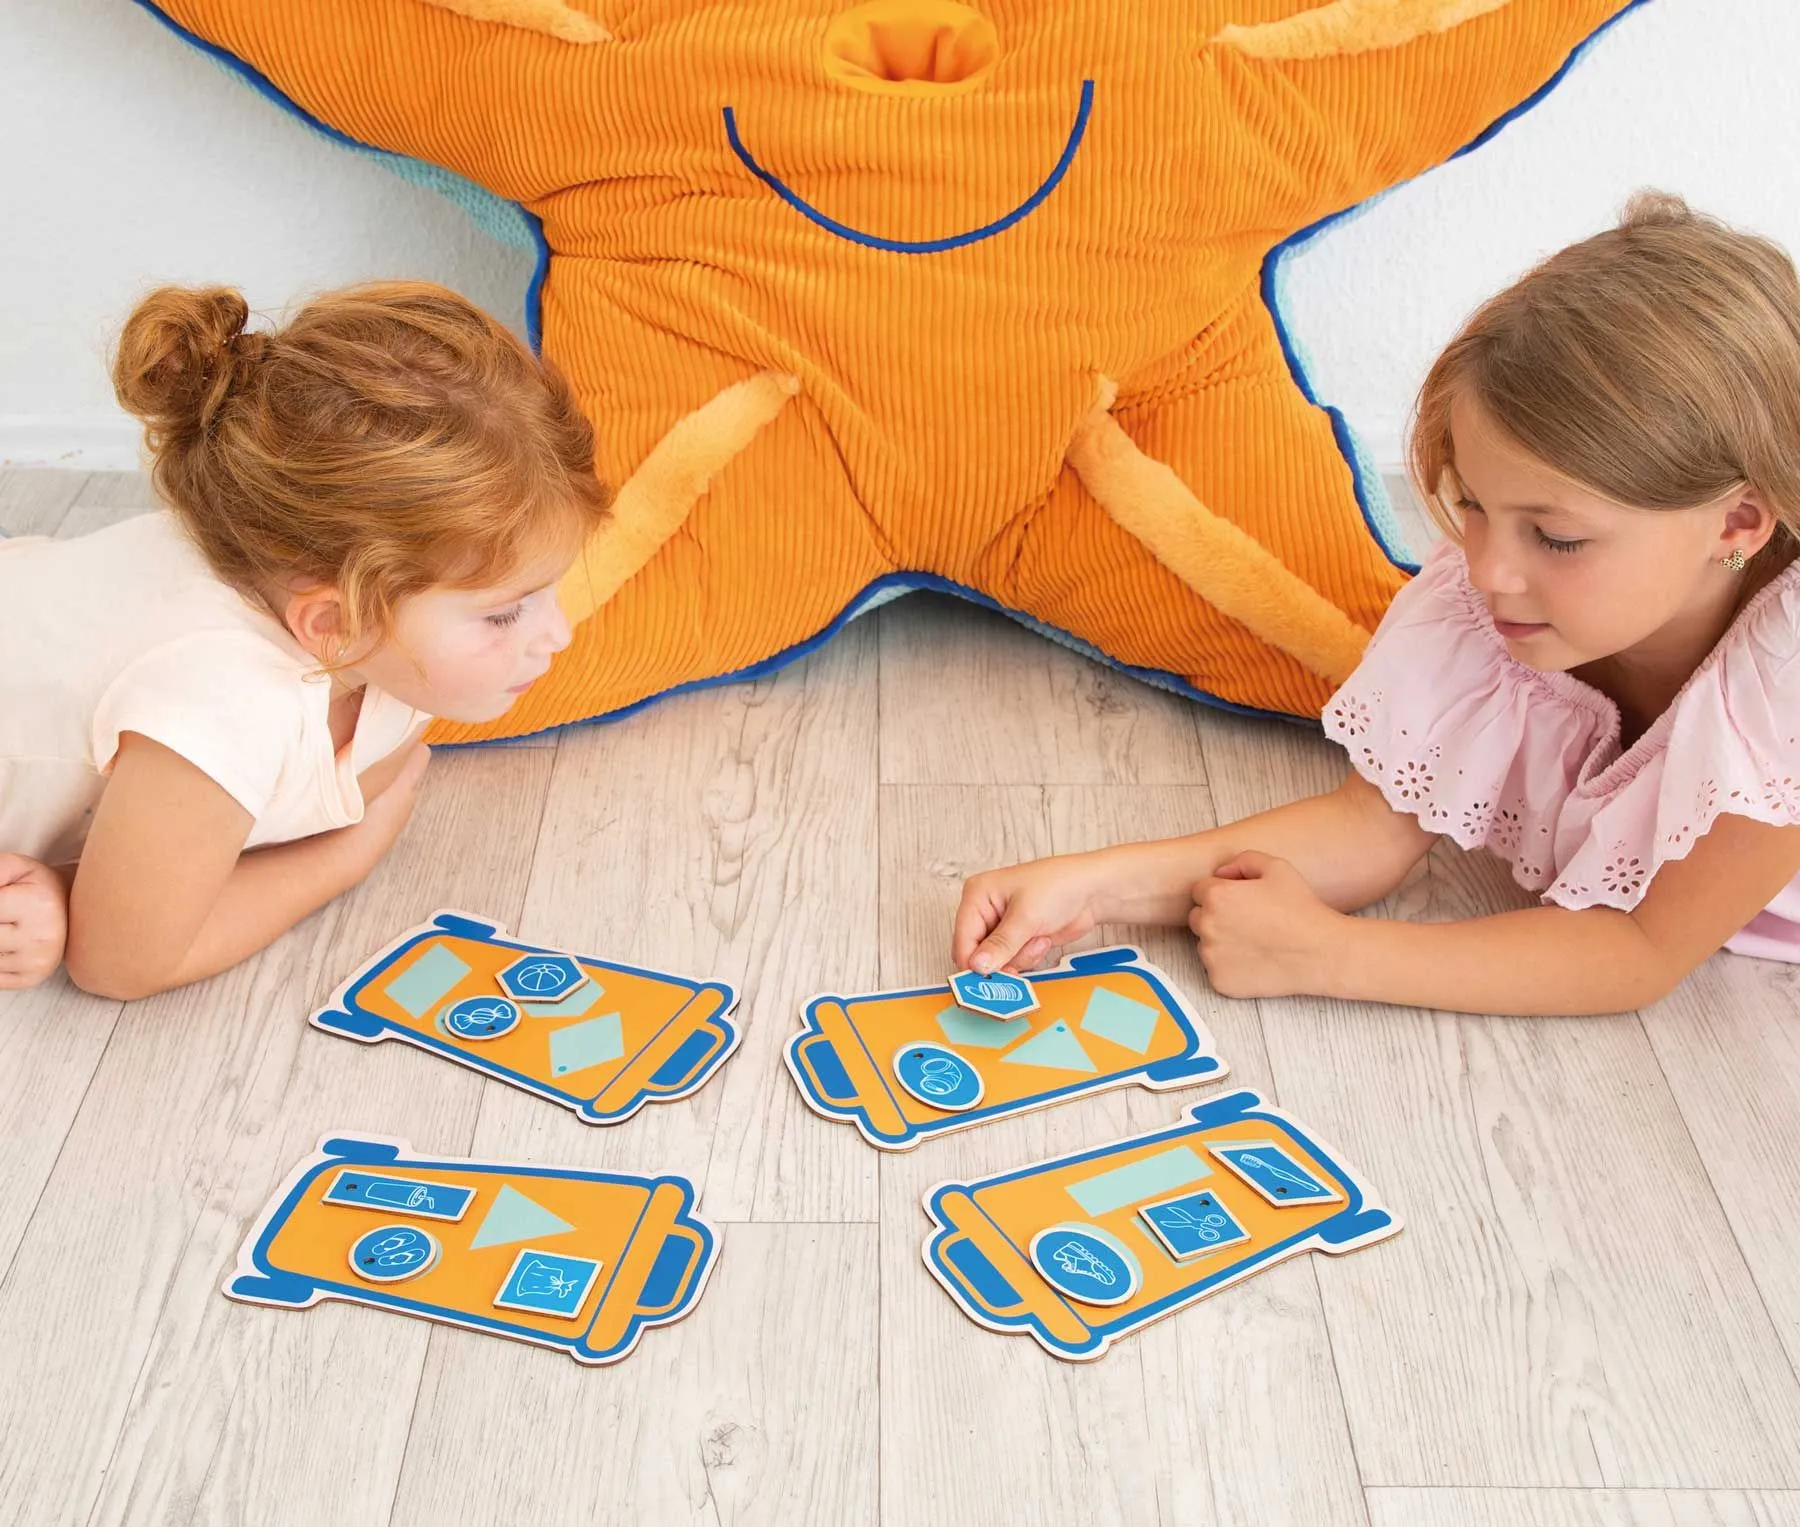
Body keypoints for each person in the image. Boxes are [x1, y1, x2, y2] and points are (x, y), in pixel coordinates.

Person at [953, 193, 1800, 1016]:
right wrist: (1094, 886)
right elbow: (1370, 825)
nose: (1487, 569)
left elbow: (1639, 948)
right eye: (1472, 505)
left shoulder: (1782, 682)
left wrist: (1329, 953)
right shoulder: (1493, 600)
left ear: (1736, 523)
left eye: (1556, 537)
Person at [0, 281, 609, 997]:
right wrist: (345, 857)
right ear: (333, 624)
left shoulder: (369, 636)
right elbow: (121, 960)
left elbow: (354, 782)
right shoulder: (224, 702)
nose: (558, 635)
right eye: (505, 614)